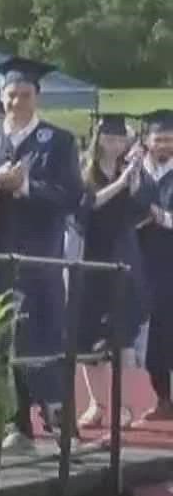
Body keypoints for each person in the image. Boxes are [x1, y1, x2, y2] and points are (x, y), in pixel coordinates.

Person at [0, 57, 85, 452]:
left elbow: (72, 197)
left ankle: (61, 427)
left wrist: (25, 188)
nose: (17, 101)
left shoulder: (58, 142)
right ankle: (17, 425)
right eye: (10, 94)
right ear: (1, 96)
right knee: (1, 342)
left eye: (25, 94)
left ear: (37, 97)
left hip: (40, 258)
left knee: (43, 338)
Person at [71, 114, 152, 430]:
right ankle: (97, 403)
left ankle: (126, 407)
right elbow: (86, 206)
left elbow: (144, 208)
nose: (114, 143)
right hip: (90, 262)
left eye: (120, 138)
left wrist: (134, 180)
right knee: (86, 341)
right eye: (109, 136)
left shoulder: (132, 171)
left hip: (123, 263)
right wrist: (120, 184)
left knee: (123, 341)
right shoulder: (84, 172)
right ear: (98, 138)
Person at [134, 109, 173, 420]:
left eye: (170, 140)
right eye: (159, 139)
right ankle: (162, 399)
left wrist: (163, 218)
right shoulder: (134, 172)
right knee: (150, 336)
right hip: (140, 263)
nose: (164, 145)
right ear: (147, 141)